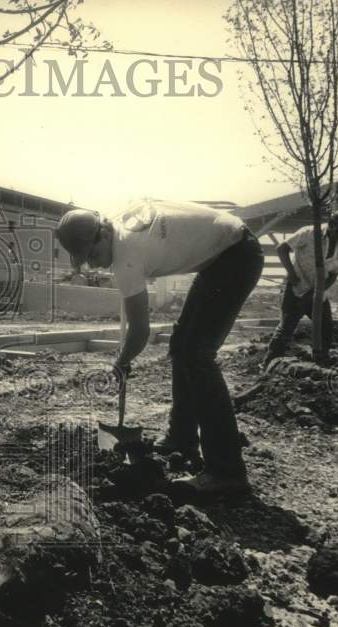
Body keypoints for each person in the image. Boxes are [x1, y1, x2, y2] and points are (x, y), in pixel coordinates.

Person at [56, 199, 264, 497]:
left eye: (92, 254)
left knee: (197, 354)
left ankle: (227, 470)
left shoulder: (126, 254)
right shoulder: (116, 223)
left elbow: (140, 330)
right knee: (182, 345)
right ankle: (182, 437)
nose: (93, 264)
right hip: (227, 252)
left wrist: (123, 360)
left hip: (235, 255)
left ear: (102, 235)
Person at [262, 209, 338, 369]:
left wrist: (318, 291)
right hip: (296, 290)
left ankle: (321, 361)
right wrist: (291, 274)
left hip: (319, 294)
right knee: (286, 328)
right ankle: (267, 364)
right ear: (332, 224)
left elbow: (334, 273)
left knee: (326, 328)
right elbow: (281, 249)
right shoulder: (309, 233)